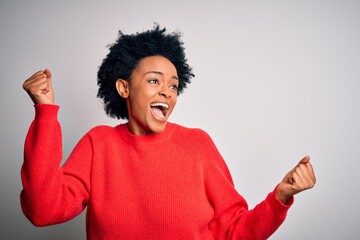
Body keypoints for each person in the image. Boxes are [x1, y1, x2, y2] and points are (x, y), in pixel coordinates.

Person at [21, 25, 316, 240]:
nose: (167, 92)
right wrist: (45, 111)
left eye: (173, 85)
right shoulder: (99, 144)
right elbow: (42, 210)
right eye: (154, 80)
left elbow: (235, 232)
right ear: (124, 87)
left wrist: (281, 196)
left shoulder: (197, 145)